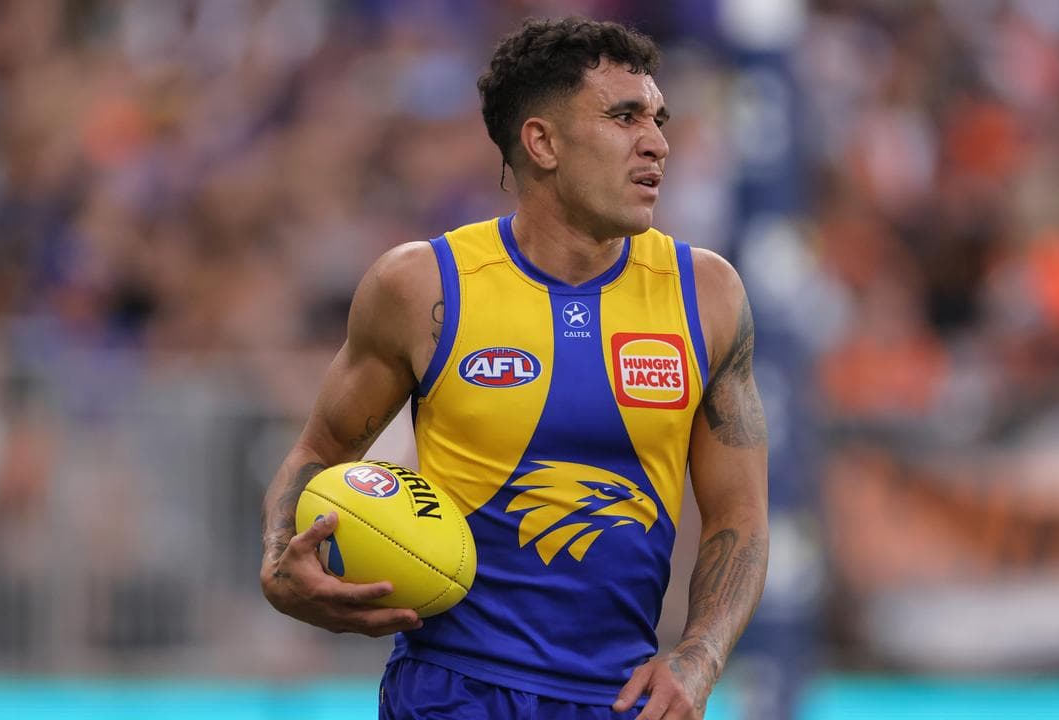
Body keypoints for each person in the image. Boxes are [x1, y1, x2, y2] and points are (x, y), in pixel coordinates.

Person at [260, 16, 768, 719]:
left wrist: (700, 656)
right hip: (450, 691)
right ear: (542, 142)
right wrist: (280, 561)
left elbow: (740, 514)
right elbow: (319, 450)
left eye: (658, 119)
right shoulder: (423, 287)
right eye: (625, 117)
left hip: (621, 699)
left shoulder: (707, 296)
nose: (657, 142)